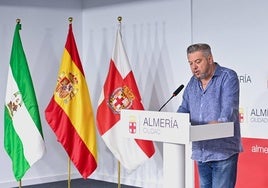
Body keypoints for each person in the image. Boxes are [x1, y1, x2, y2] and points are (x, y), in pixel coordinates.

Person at [177, 43, 243, 188]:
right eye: (191, 63)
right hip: (201, 151)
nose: (194, 67)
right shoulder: (192, 83)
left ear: (210, 59)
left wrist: (217, 125)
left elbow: (228, 111)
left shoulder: (227, 77)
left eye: (198, 61)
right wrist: (175, 122)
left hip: (222, 152)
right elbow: (184, 108)